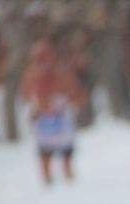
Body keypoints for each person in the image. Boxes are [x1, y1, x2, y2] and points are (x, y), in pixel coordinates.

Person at [20, 38, 85, 184]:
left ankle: (69, 176)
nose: (42, 61)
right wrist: (35, 108)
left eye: (45, 56)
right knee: (44, 151)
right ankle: (46, 178)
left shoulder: (63, 73)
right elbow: (27, 97)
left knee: (67, 150)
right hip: (44, 122)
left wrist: (64, 102)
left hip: (62, 120)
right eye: (38, 57)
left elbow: (76, 96)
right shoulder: (30, 75)